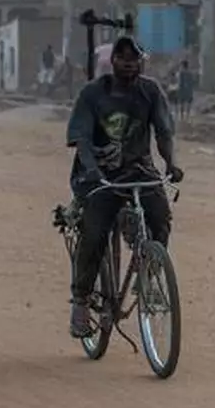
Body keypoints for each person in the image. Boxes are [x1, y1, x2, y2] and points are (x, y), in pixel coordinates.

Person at [66, 36, 183, 338]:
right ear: (113, 61)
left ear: (142, 62)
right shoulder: (93, 93)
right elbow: (81, 139)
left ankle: (149, 275)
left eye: (134, 59)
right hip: (100, 173)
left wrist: (170, 164)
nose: (129, 63)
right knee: (93, 232)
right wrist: (92, 170)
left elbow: (164, 132)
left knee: (160, 219)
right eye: (123, 58)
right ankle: (80, 301)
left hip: (139, 169)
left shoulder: (150, 91)